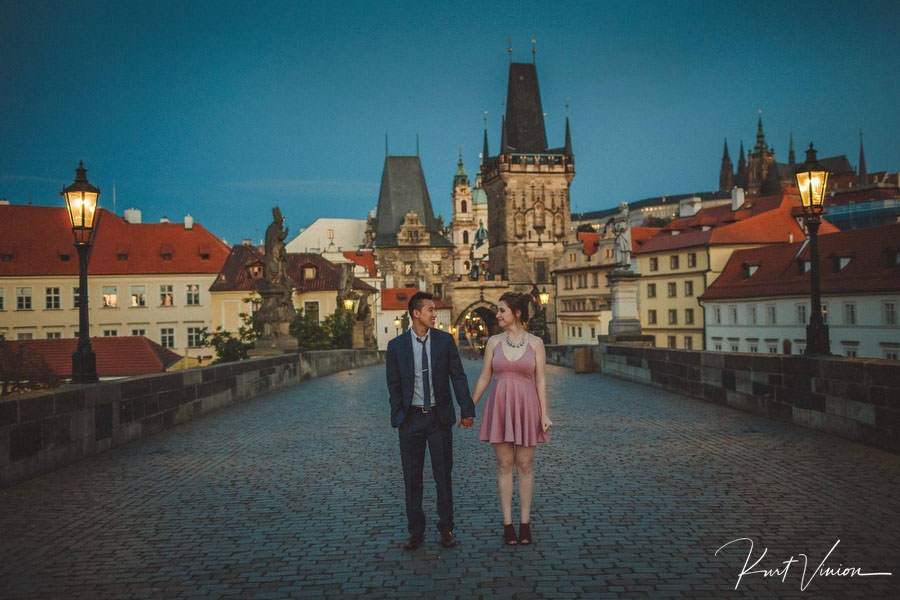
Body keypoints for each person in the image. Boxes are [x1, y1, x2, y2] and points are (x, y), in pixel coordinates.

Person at [386, 291, 475, 550]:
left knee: (442, 476)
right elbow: (393, 384)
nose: (435, 314)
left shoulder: (445, 341)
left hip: (438, 418)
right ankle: (416, 531)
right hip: (411, 419)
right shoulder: (396, 346)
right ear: (416, 313)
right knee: (412, 478)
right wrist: (398, 416)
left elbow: (457, 377)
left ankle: (446, 528)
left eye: (434, 310)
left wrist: (466, 409)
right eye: (430, 310)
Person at [471, 292, 552, 545]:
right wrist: (469, 405)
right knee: (505, 465)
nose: (497, 315)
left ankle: (525, 524)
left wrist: (545, 412)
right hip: (500, 406)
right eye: (497, 310)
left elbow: (540, 380)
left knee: (525, 466)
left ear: (516, 313)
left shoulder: (536, 343)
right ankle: (508, 524)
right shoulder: (494, 342)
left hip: (527, 407)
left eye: (502, 310)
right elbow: (485, 376)